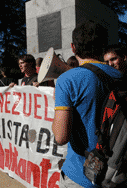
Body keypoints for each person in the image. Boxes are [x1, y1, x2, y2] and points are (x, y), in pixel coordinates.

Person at [52, 20, 123, 188]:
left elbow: (60, 137)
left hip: (80, 177)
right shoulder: (122, 77)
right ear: (105, 47)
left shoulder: (67, 80)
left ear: (73, 47)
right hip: (117, 176)